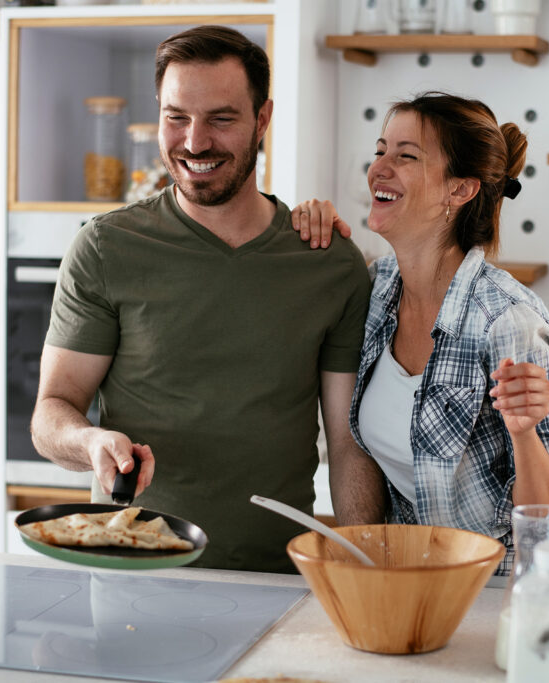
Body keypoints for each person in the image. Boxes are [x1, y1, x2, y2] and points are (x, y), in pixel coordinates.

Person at [30, 25, 384, 573]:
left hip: (278, 579)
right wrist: (90, 441)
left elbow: (347, 442)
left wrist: (367, 567)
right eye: (176, 117)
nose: (194, 142)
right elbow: (52, 411)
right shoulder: (105, 247)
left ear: (262, 120)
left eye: (221, 118)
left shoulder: (327, 261)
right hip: (132, 571)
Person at [292, 92, 549, 574]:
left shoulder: (508, 321)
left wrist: (525, 432)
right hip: (409, 580)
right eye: (381, 150)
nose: (379, 168)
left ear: (460, 190)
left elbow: (548, 520)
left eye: (406, 156)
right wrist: (303, 229)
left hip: (490, 593)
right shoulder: (375, 291)